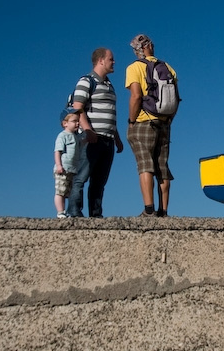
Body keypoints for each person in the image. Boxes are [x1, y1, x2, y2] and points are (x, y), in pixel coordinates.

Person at [125, 33, 179, 217]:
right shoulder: (168, 67)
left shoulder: (134, 67)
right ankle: (163, 211)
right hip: (164, 122)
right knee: (162, 167)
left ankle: (149, 210)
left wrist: (131, 121)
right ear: (150, 47)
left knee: (145, 164)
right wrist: (169, 119)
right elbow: (176, 98)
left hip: (143, 121)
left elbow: (136, 96)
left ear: (138, 50)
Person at [68, 48, 124, 217]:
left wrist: (117, 138)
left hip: (108, 140)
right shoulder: (87, 81)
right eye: (111, 59)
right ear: (100, 60)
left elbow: (109, 113)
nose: (114, 62)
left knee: (99, 181)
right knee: (81, 176)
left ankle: (96, 214)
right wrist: (88, 130)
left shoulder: (109, 85)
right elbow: (77, 107)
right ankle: (74, 212)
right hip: (91, 138)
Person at [53, 108, 81, 218]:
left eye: (78, 121)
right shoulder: (62, 135)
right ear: (65, 123)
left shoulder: (75, 137)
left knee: (66, 192)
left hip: (71, 169)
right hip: (63, 168)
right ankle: (60, 212)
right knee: (60, 191)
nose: (77, 123)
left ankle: (64, 212)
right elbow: (57, 151)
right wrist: (59, 165)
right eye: (74, 121)